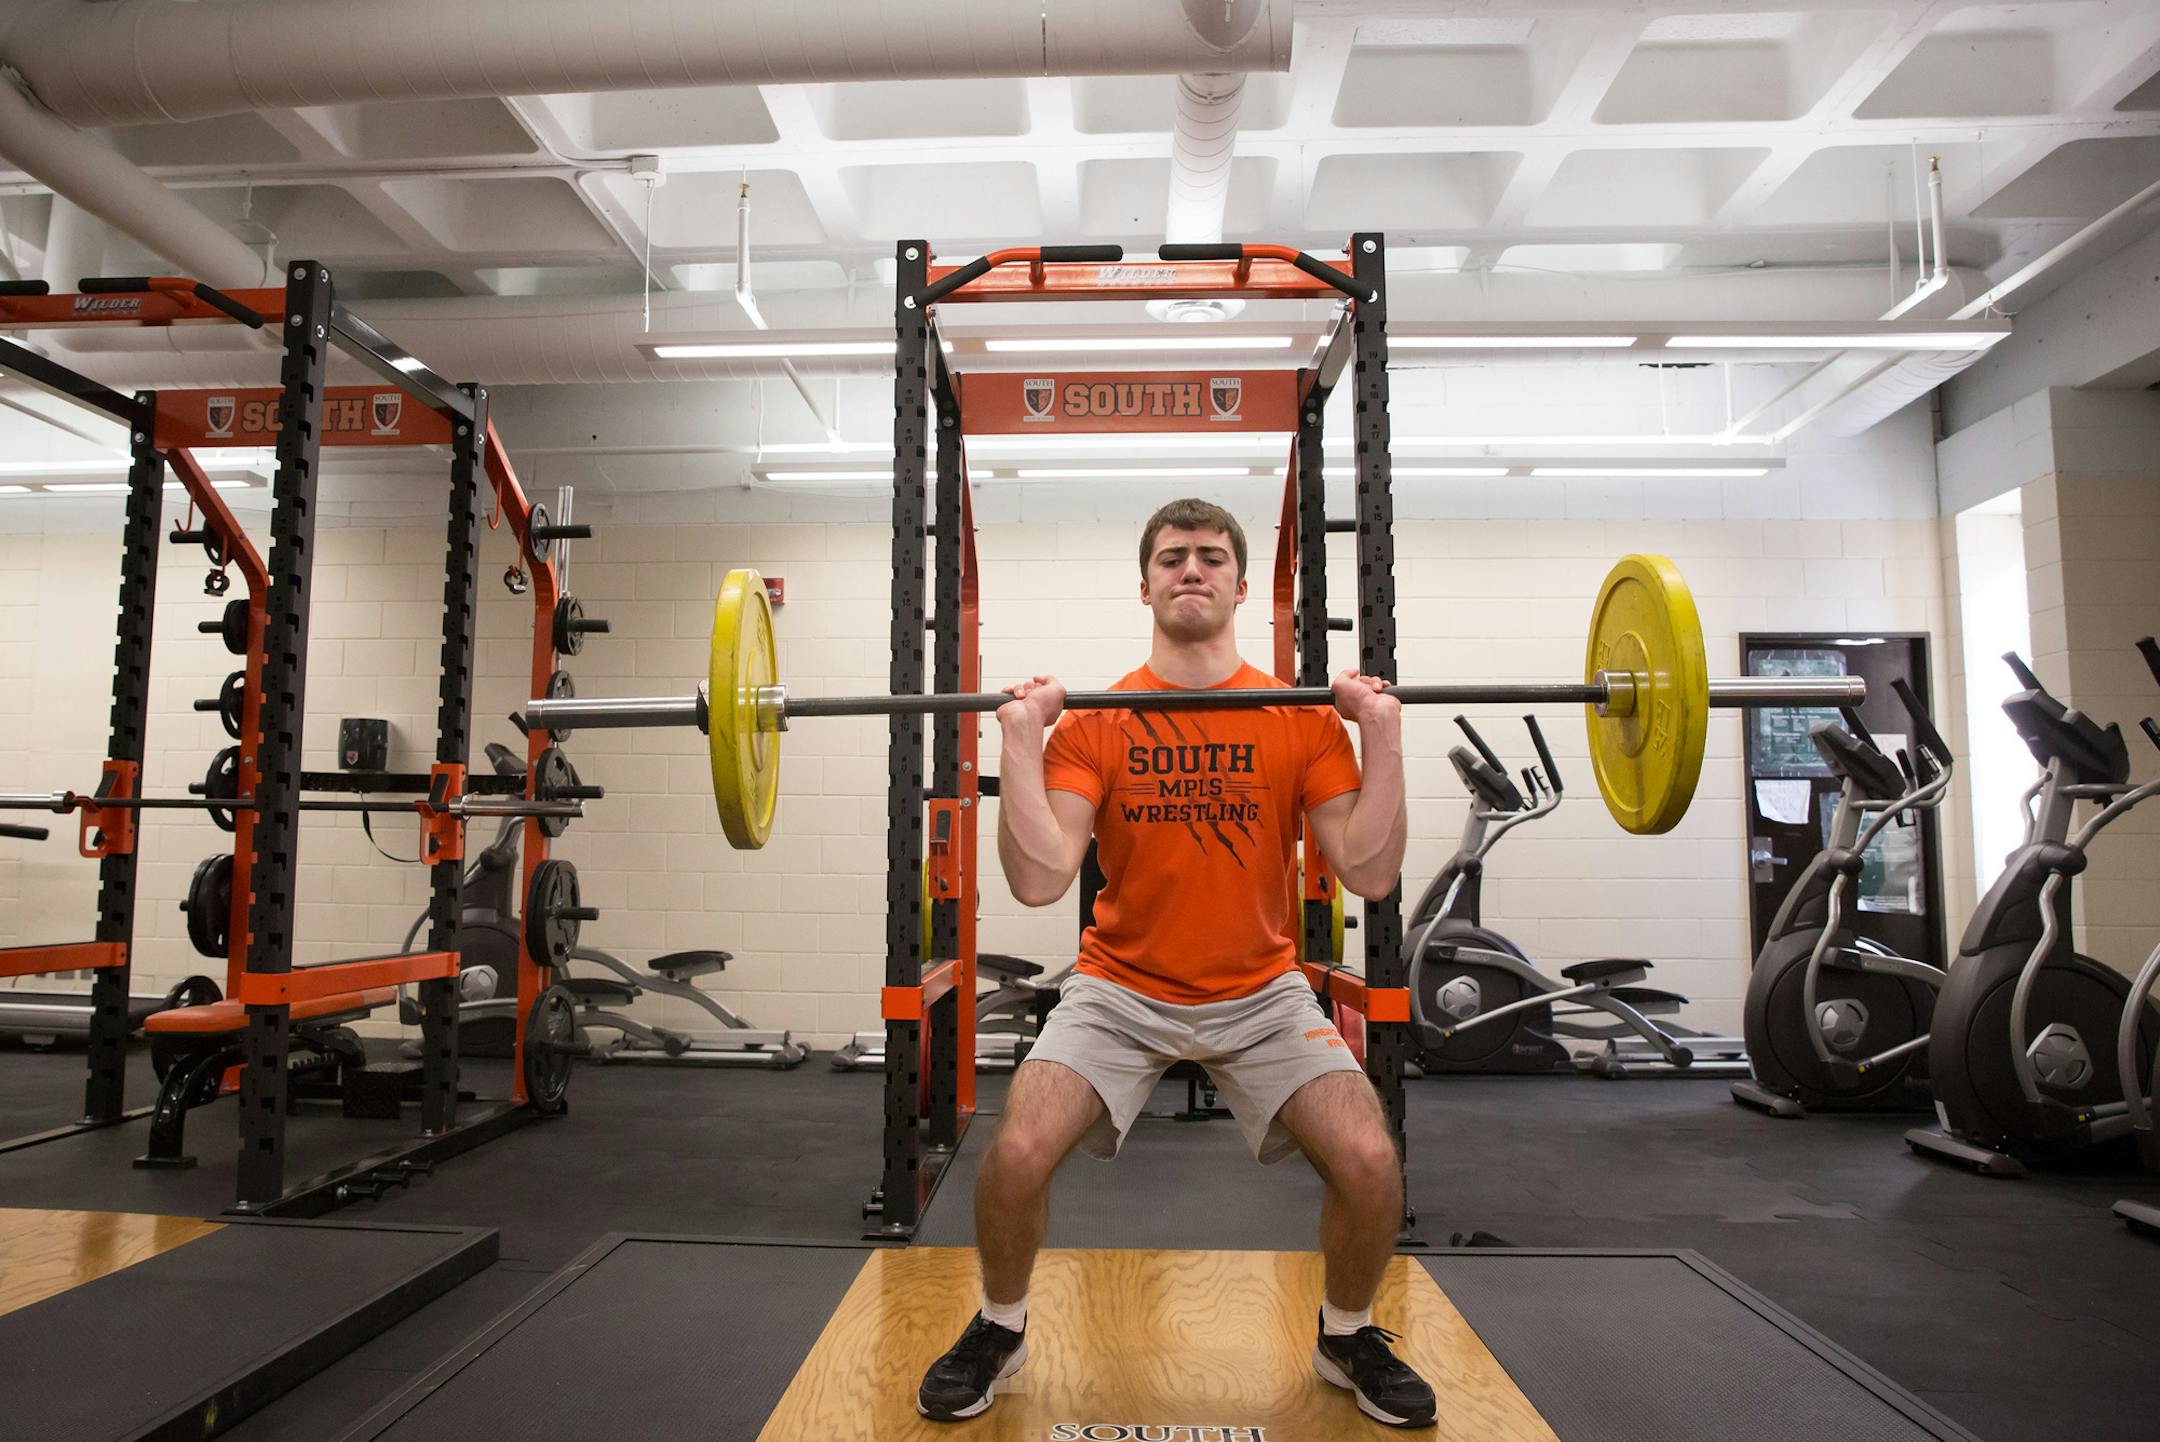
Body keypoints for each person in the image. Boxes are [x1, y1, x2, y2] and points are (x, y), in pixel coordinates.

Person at [917, 498, 1432, 1428]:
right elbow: (1039, 879)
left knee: (1368, 1159)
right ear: (1146, 584)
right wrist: (1021, 742)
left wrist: (1383, 733)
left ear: (1239, 584)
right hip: (1119, 989)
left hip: (1262, 991)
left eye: (1210, 556)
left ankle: (1347, 1335)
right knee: (1017, 1152)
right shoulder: (1100, 722)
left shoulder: (1299, 720)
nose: (1191, 569)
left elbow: (1370, 869)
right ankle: (1000, 1324)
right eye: (1171, 557)